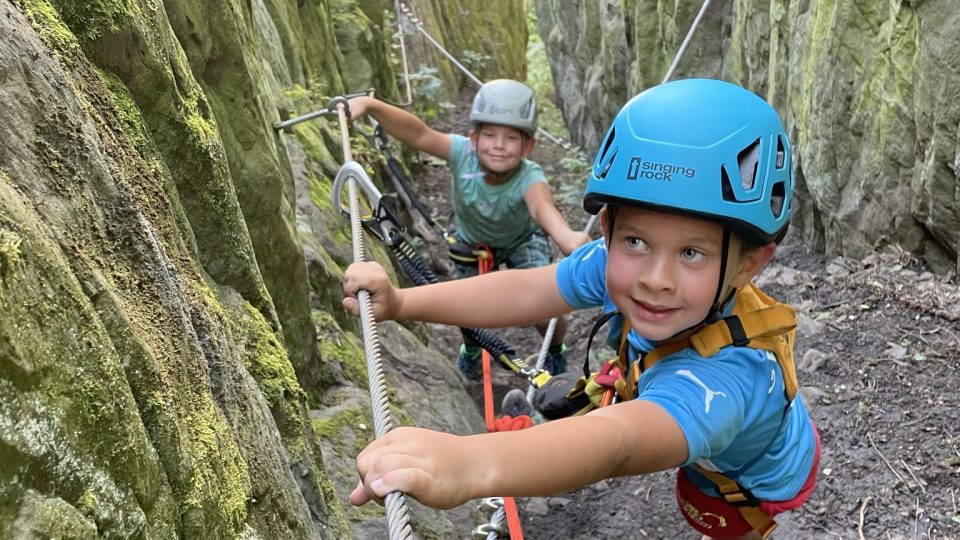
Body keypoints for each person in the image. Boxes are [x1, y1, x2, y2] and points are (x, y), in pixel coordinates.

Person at [343, 78, 820, 539]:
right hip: (697, 422)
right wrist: (403, 302)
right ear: (609, 228)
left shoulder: (729, 379)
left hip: (749, 478)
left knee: (723, 525)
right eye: (636, 240)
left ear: (748, 265)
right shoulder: (621, 265)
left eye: (691, 253)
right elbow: (528, 291)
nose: (655, 277)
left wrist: (471, 464)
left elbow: (618, 442)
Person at [346, 80, 590, 377]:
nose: (499, 145)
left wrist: (567, 237)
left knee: (547, 306)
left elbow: (542, 207)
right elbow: (419, 134)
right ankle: (473, 348)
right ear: (473, 138)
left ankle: (554, 348)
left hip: (521, 240)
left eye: (511, 138)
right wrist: (371, 105)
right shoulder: (462, 154)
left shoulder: (530, 177)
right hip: (472, 242)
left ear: (528, 146)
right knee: (464, 307)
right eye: (490, 135)